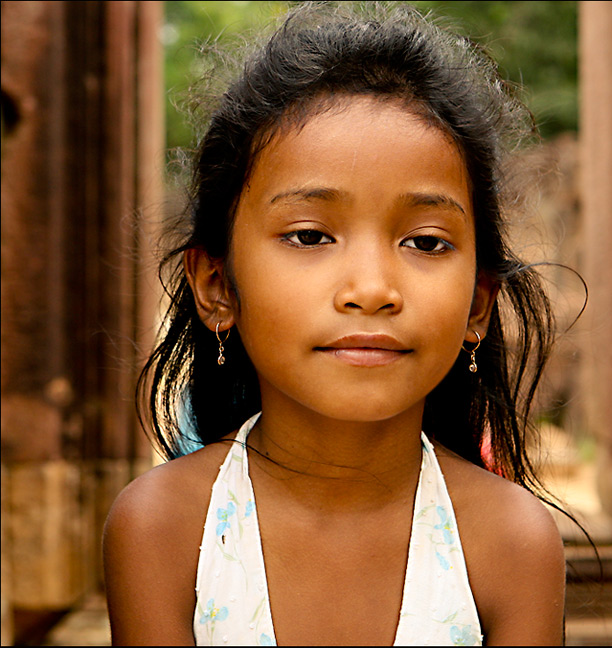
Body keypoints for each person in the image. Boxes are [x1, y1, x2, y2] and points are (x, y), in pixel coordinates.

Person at [103, 2, 570, 645]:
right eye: (310, 235)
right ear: (216, 285)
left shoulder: (510, 543)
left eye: (426, 242)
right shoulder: (164, 528)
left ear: (477, 306)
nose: (372, 290)